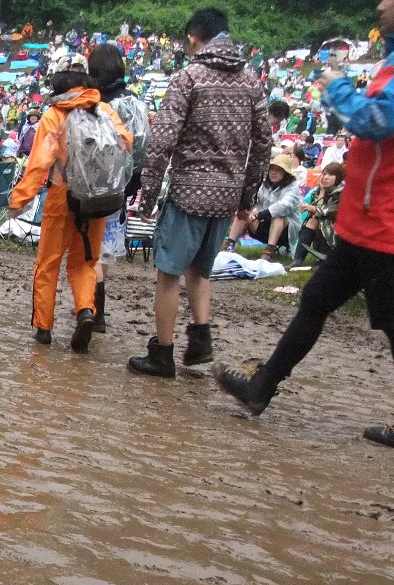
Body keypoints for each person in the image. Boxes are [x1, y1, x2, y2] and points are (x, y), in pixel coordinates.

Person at [212, 0, 394, 451]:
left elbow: (376, 120)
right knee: (319, 298)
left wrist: (338, 87)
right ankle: (262, 385)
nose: (381, 4)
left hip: (386, 214)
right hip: (385, 213)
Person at [128, 7, 269, 378]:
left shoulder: (189, 77)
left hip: (190, 190)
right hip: (227, 195)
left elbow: (162, 142)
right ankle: (201, 337)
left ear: (193, 37)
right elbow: (263, 144)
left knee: (168, 274)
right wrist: (247, 197)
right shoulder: (251, 81)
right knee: (200, 272)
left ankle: (162, 352)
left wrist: (148, 194)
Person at [7, 52, 131, 350]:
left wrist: (19, 199)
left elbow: (39, 163)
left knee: (48, 264)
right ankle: (86, 311)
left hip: (62, 198)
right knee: (85, 263)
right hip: (97, 199)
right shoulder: (103, 110)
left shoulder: (54, 115)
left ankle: (43, 328)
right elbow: (126, 142)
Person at [89, 43, 149, 337]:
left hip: (96, 183)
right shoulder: (137, 104)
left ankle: (92, 310)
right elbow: (143, 147)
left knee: (92, 252)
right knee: (107, 247)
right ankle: (98, 311)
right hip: (124, 186)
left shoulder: (97, 104)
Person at [225, 153, 303, 260]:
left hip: (285, 231)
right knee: (244, 213)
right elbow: (258, 203)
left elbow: (285, 206)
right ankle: (229, 246)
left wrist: (260, 215)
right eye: (272, 169)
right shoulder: (264, 184)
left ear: (285, 173)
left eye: (278, 170)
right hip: (263, 224)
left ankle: (268, 252)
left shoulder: (293, 186)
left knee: (278, 217)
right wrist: (253, 212)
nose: (274, 173)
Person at [289, 162, 344, 264]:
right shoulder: (318, 190)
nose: (325, 177)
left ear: (338, 177)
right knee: (312, 221)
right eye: (324, 174)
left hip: (339, 231)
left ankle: (325, 260)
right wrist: (322, 191)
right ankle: (297, 260)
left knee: (324, 222)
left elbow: (329, 211)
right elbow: (316, 214)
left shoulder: (343, 192)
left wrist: (313, 208)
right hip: (321, 229)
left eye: (330, 175)